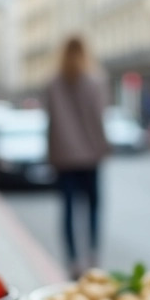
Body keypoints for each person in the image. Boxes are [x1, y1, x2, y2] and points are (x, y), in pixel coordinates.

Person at [46, 37, 109, 276]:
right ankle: (92, 254)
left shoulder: (53, 83)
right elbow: (97, 119)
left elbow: (51, 124)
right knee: (93, 207)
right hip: (90, 156)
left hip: (64, 157)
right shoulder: (94, 81)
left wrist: (52, 154)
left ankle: (73, 259)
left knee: (68, 209)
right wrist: (103, 147)